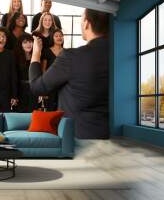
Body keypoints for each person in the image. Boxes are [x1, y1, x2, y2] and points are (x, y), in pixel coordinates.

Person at [29, 8, 109, 139]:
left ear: (86, 24)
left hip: (80, 139)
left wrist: (36, 52)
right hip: (117, 139)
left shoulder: (71, 56)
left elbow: (37, 87)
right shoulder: (119, 53)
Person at [39, 29, 65, 111]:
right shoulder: (47, 51)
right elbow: (43, 70)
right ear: (52, 38)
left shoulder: (67, 52)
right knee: (49, 109)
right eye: (56, 36)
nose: (59, 37)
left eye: (61, 36)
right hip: (50, 84)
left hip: (63, 85)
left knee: (62, 109)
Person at [14, 33, 37, 112]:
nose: (28, 44)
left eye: (30, 42)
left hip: (33, 88)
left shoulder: (37, 56)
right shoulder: (15, 57)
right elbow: (14, 77)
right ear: (20, 44)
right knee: (20, 113)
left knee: (33, 113)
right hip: (20, 89)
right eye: (25, 42)